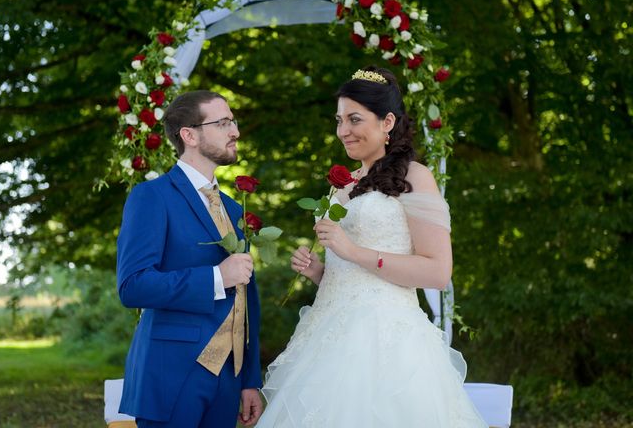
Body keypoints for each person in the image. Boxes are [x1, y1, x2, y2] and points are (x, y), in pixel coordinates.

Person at [257, 67, 487, 427]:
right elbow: (351, 276)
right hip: (328, 337)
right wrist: (320, 271)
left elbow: (437, 272)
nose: (343, 131)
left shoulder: (415, 177)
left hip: (387, 342)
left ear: (387, 121)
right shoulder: (342, 187)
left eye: (354, 119)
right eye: (338, 120)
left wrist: (351, 251)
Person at [116, 90, 263, 427]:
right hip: (171, 373)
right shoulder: (152, 197)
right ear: (190, 135)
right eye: (223, 123)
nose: (235, 131)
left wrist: (249, 378)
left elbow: (246, 298)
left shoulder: (232, 207)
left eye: (233, 122)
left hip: (229, 377)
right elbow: (132, 286)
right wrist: (216, 277)